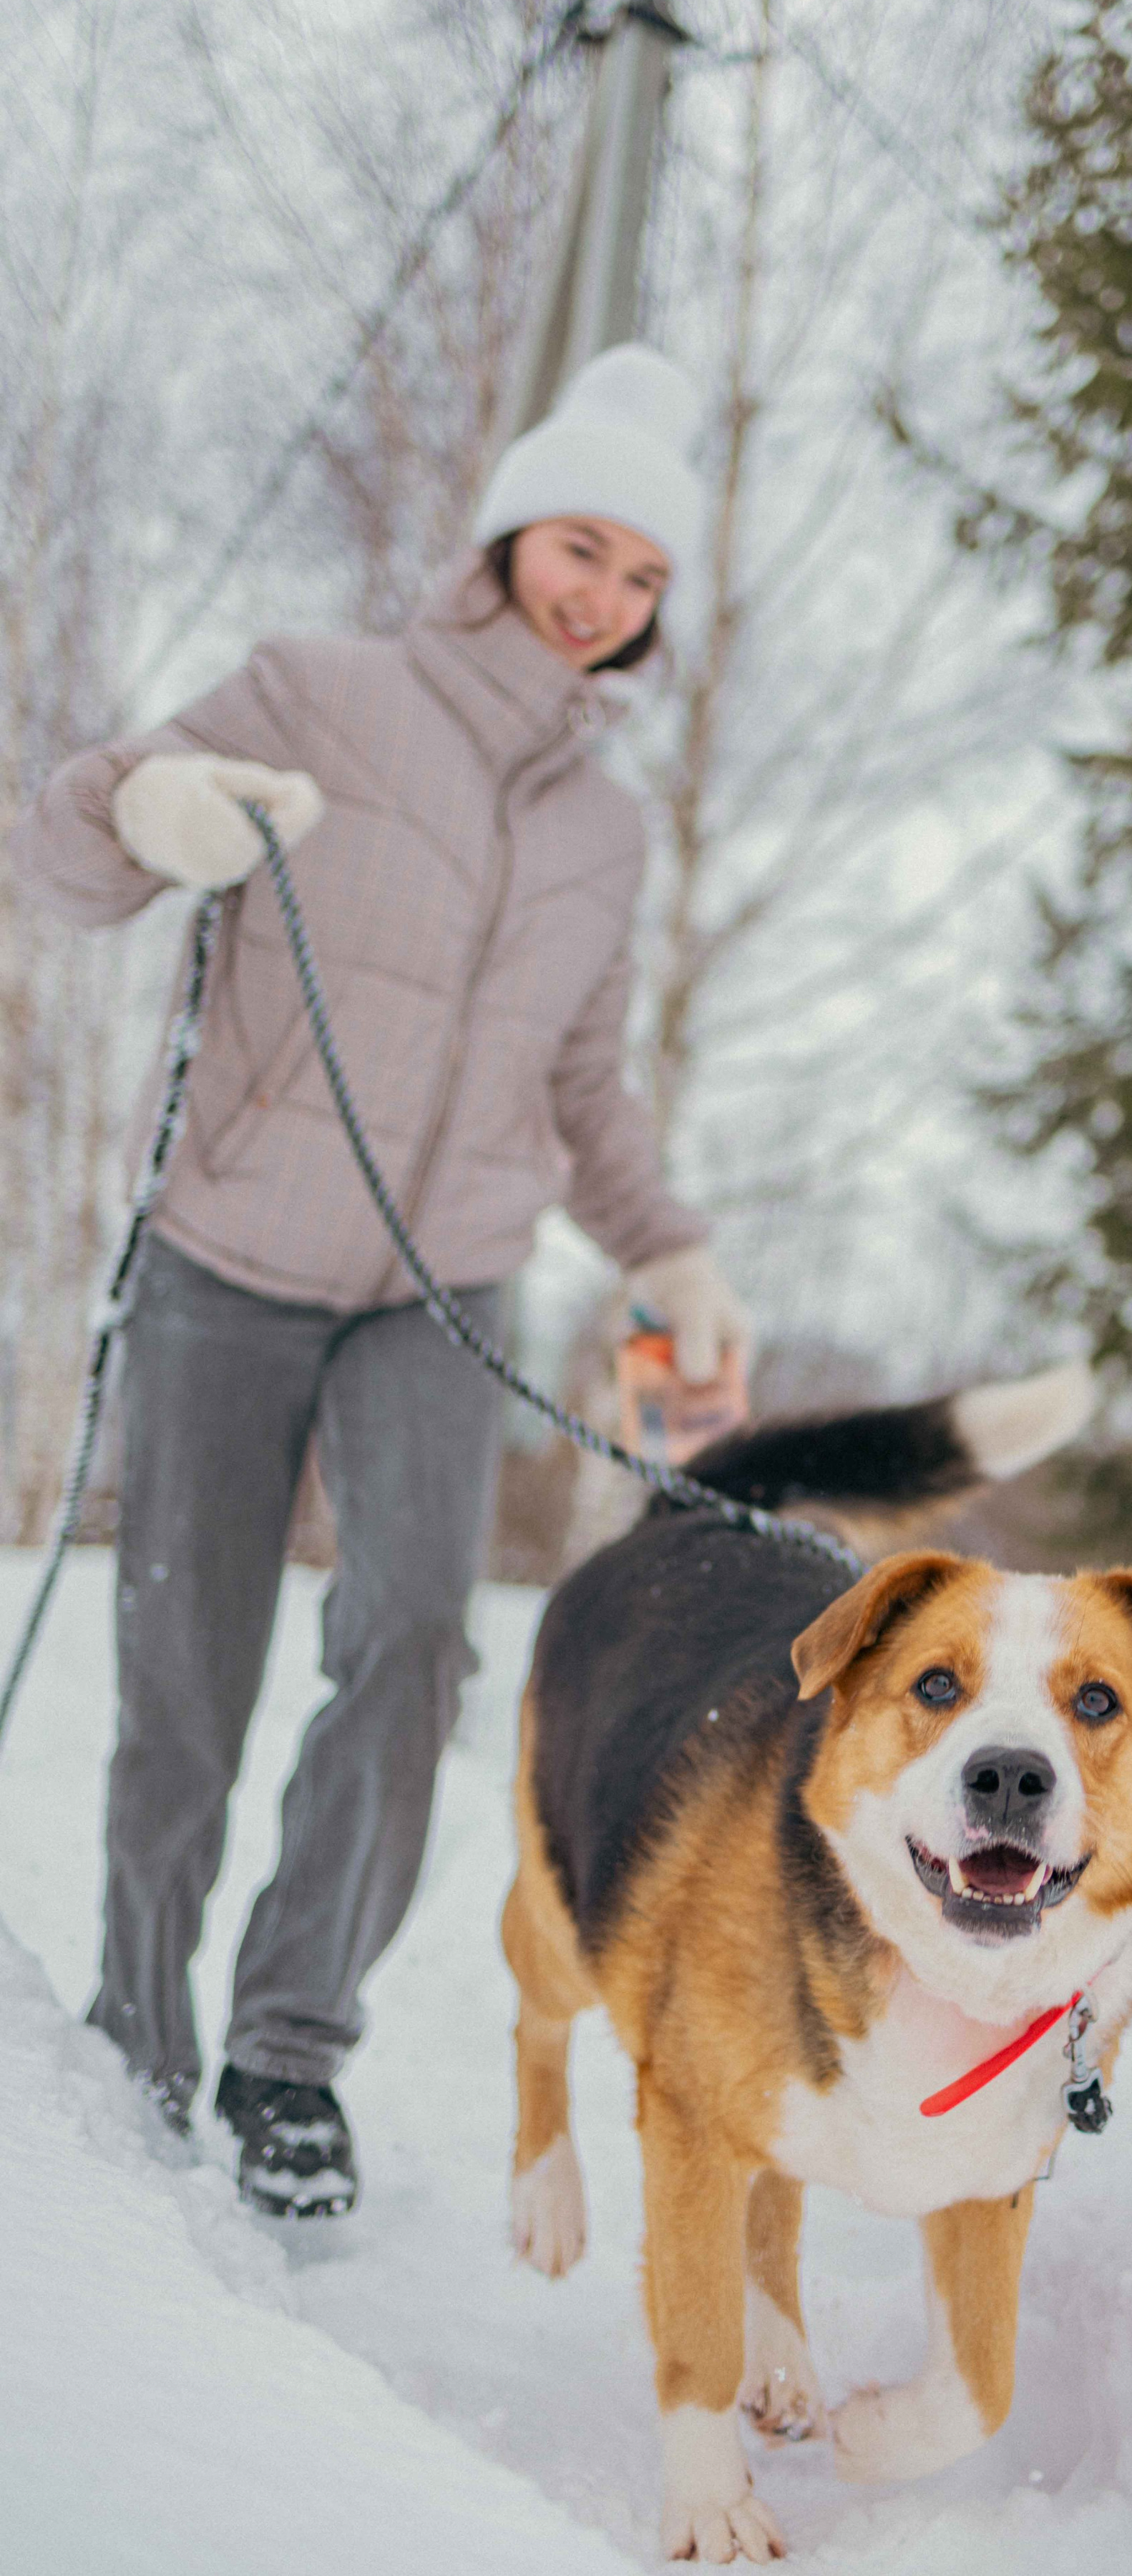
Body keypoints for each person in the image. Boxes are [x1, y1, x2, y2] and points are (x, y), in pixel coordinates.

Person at [5, 343, 748, 2218]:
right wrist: (141, 816)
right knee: (186, 1669)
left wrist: (668, 1246)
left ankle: (287, 2054)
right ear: (508, 536)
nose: (605, 600)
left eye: (644, 579)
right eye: (584, 549)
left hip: (442, 1288)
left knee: (415, 1641)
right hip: (227, 1261)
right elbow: (59, 859)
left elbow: (581, 1083)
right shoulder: (320, 693)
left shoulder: (608, 825)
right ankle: (138, 2036)